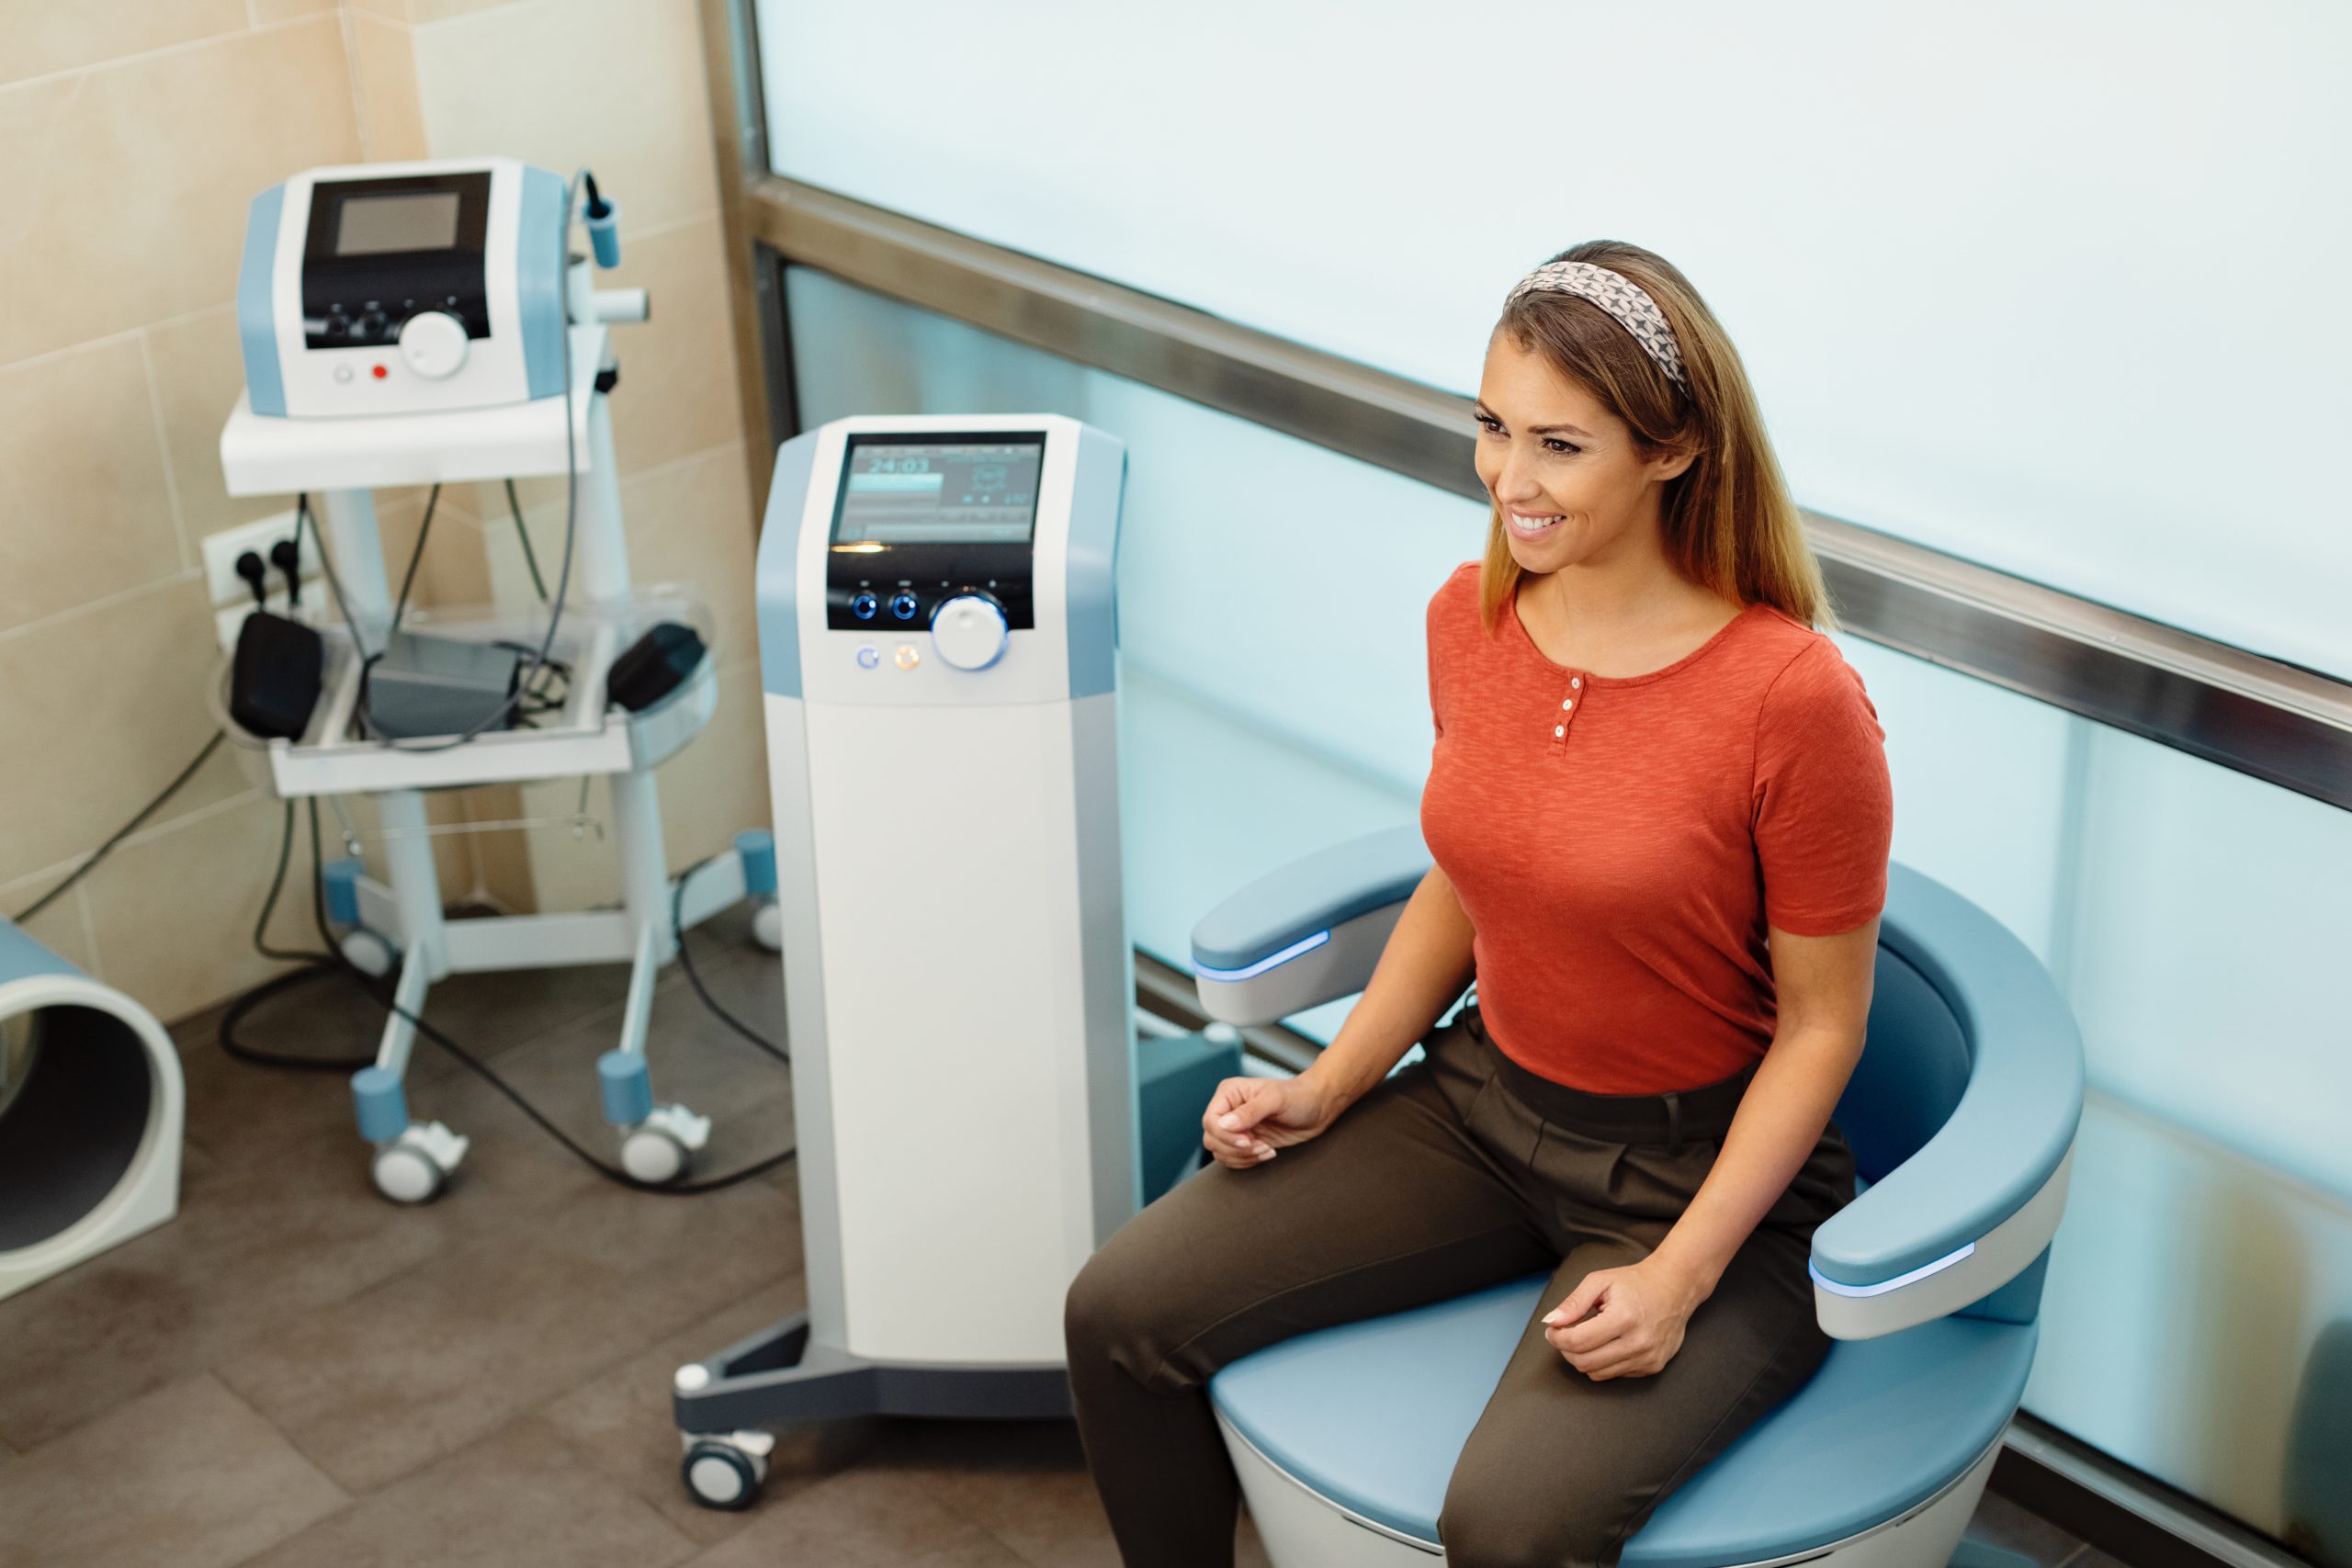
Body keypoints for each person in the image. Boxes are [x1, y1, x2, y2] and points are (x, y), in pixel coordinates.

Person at [1064, 240, 1895, 1568]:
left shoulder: (1793, 700)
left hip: (1696, 1179)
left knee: (1507, 1526)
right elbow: (1465, 879)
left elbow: (1823, 1028)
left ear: (1672, 448)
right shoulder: (1475, 618)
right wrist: (1329, 1083)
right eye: (1493, 428)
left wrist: (1679, 1277)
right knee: (1118, 1312)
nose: (1509, 479)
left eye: (1560, 445)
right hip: (1479, 1108)